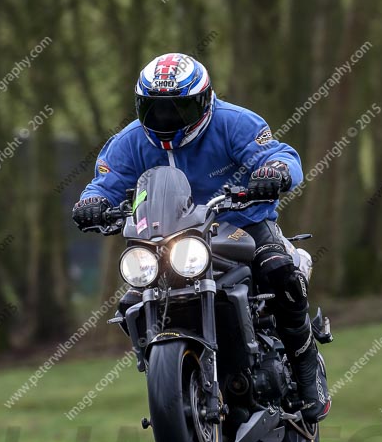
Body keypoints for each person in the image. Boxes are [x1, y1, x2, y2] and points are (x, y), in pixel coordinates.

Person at [72, 52, 331, 421]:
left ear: (205, 100)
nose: (167, 120)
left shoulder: (235, 123)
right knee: (130, 300)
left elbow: (278, 154)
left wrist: (274, 171)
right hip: (166, 236)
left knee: (281, 273)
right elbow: (104, 184)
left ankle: (307, 370)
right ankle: (172, 383)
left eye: (178, 109)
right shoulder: (129, 142)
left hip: (241, 223)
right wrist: (92, 204)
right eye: (156, 110)